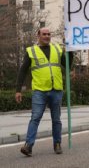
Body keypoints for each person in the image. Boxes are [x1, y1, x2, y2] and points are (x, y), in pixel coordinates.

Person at [15, 28, 71, 157]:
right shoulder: (31, 51)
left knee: (56, 119)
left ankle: (57, 144)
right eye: (44, 34)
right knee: (35, 118)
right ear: (38, 36)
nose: (47, 36)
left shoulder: (57, 49)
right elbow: (23, 71)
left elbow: (68, 65)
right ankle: (28, 146)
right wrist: (18, 90)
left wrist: (70, 51)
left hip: (56, 90)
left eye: (48, 34)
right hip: (39, 91)